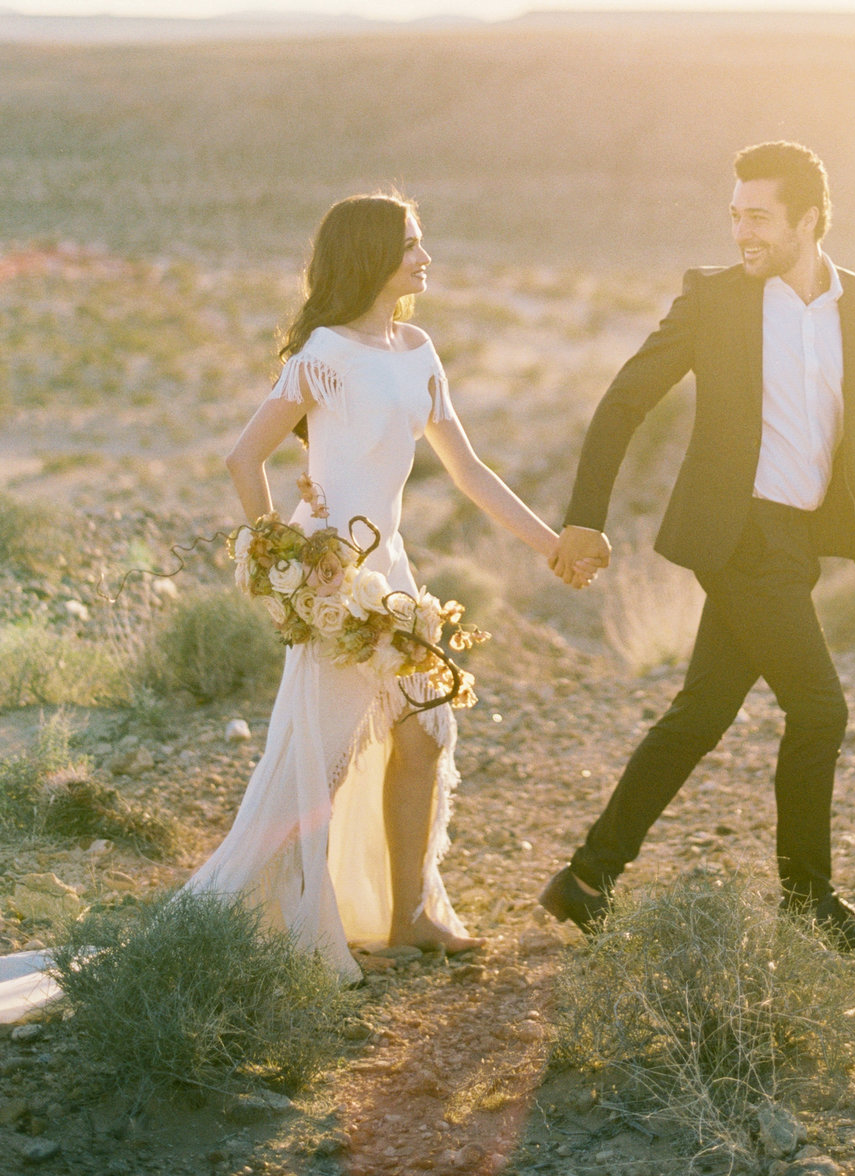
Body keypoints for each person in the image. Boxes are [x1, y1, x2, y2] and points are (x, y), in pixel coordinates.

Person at [187, 192, 594, 978]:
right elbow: (244, 458)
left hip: (394, 575)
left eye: (421, 241)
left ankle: (410, 916)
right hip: (335, 580)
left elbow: (468, 470)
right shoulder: (323, 355)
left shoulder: (419, 349)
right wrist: (283, 557)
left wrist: (550, 545)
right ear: (372, 256)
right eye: (410, 244)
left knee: (424, 736)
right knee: (326, 760)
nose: (424, 256)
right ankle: (308, 937)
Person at [540, 141, 855, 947]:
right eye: (735, 216)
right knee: (821, 709)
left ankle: (587, 879)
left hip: (800, 539)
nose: (741, 232)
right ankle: (809, 908)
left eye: (758, 218)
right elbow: (622, 402)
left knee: (702, 712)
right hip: (738, 532)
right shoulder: (714, 301)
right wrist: (585, 517)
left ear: (808, 221)